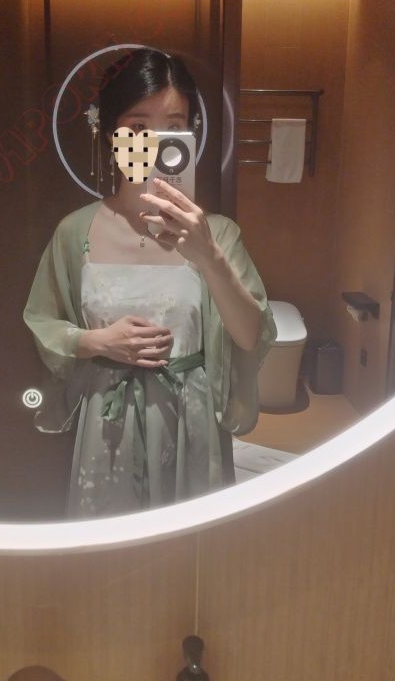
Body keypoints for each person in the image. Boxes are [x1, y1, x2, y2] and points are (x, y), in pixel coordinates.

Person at [24, 48, 276, 517]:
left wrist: (209, 257)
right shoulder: (75, 233)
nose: (154, 144)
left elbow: (252, 336)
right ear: (110, 134)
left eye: (171, 126)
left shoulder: (217, 235)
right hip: (108, 426)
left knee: (189, 550)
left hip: (191, 425)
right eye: (138, 128)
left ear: (190, 135)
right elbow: (42, 322)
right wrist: (96, 342)